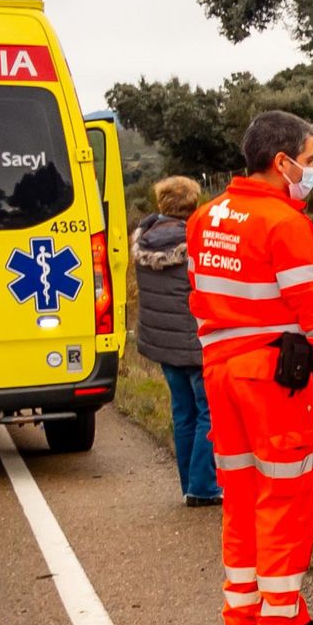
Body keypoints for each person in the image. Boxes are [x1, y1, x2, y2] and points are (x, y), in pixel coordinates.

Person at [187, 110, 313, 625]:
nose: (312, 170)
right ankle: (281, 619)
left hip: (219, 370)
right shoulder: (283, 223)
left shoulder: (206, 216)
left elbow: (205, 294)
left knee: (240, 492)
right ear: (281, 163)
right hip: (270, 377)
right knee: (285, 493)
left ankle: (242, 610)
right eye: (308, 160)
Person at [132, 175, 223, 508]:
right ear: (193, 203)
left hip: (163, 343)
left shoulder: (145, 241)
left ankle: (188, 482)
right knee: (208, 413)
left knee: (182, 412)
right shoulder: (197, 241)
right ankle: (203, 485)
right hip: (196, 342)